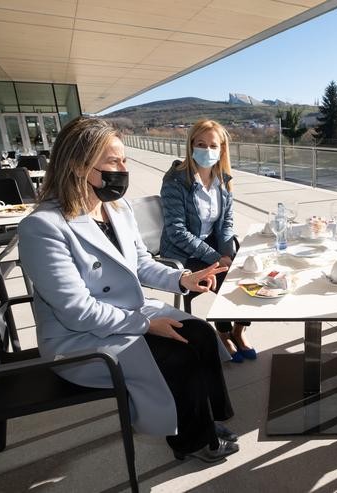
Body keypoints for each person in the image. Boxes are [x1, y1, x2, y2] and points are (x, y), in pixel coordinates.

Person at [18, 116, 240, 464]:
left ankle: (204, 421)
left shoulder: (116, 210)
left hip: (126, 315)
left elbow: (141, 263)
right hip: (80, 340)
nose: (123, 169)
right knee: (178, 354)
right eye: (113, 161)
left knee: (198, 332)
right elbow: (77, 311)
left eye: (124, 160)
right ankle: (192, 440)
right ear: (78, 166)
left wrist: (182, 279)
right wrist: (146, 325)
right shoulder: (42, 227)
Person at [160, 119, 254, 363]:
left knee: (248, 274)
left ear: (222, 149)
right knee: (222, 277)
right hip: (184, 251)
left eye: (213, 145)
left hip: (211, 245)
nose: (207, 150)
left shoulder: (223, 181)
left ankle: (239, 330)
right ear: (190, 145)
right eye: (201, 144)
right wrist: (217, 259)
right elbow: (176, 232)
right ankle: (223, 333)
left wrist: (226, 254)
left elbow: (225, 225)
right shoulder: (175, 181)